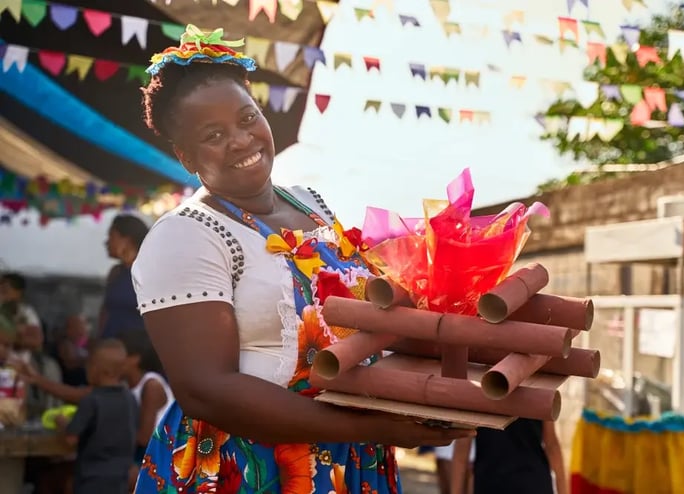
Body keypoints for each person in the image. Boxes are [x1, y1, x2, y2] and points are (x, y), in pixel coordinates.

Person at [130, 26, 473, 493]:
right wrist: (370, 428)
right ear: (185, 155)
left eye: (247, 118)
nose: (240, 140)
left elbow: (367, 322)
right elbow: (205, 389)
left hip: (348, 457)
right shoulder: (184, 236)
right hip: (250, 465)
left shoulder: (313, 204)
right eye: (213, 135)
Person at [55, 339, 138, 494]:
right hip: (121, 477)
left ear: (99, 370)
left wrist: (63, 423)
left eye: (89, 365)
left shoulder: (91, 400)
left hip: (92, 478)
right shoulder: (130, 398)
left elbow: (70, 438)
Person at [117, 329, 174, 489]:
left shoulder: (151, 386)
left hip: (162, 456)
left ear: (134, 359)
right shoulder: (124, 386)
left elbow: (144, 437)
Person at [473, 419, 567, 494]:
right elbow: (551, 444)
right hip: (532, 481)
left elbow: (462, 454)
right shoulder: (540, 395)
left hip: (490, 481)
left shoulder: (474, 396)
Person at [99, 214, 150, 340]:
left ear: (126, 240)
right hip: (109, 341)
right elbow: (105, 311)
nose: (106, 242)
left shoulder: (148, 272)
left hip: (135, 346)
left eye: (111, 236)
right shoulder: (116, 272)